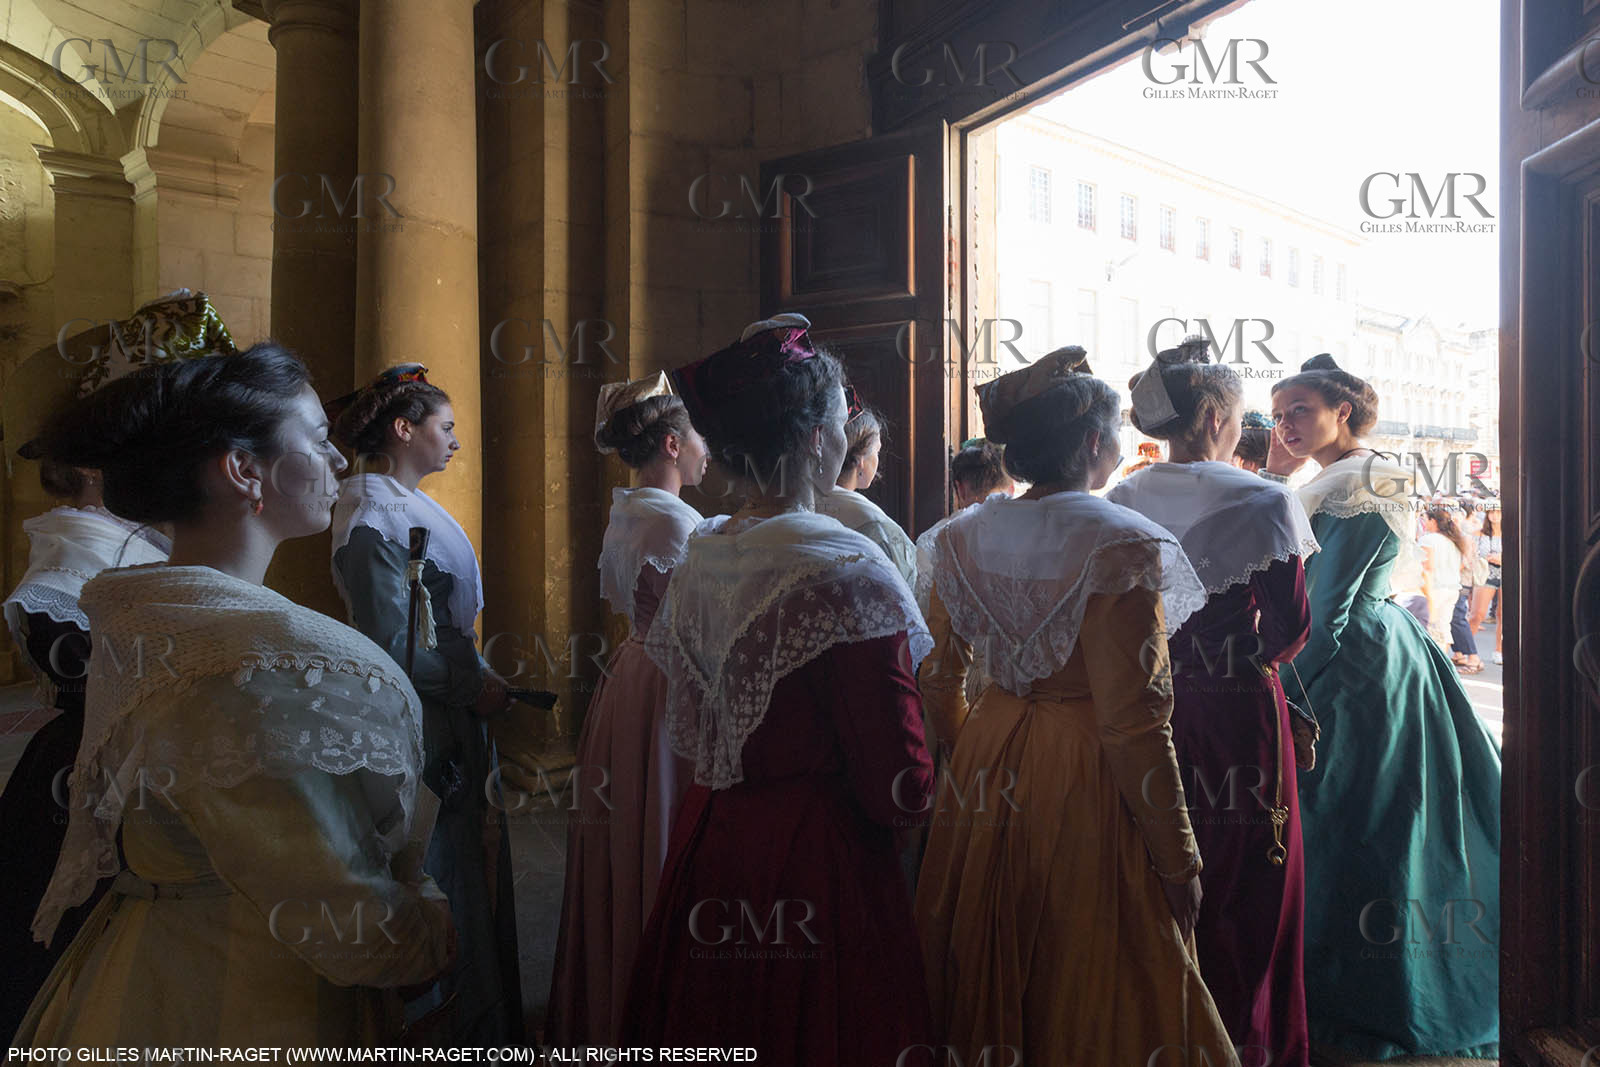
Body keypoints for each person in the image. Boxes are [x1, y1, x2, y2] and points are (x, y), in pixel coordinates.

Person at [15, 343, 453, 1046]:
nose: (340, 458)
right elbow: (350, 923)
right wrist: (432, 924)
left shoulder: (156, 620)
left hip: (145, 955)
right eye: (316, 438)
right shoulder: (260, 660)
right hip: (247, 991)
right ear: (245, 468)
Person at [624, 314, 935, 1065]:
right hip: (815, 862)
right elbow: (899, 780)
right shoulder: (847, 568)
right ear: (811, 438)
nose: (844, 427)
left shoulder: (706, 550)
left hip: (713, 838)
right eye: (838, 415)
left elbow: (697, 726)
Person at [915, 346, 1236, 1064]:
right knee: (1096, 970)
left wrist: (979, 746)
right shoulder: (1120, 542)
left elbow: (939, 678)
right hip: (1084, 772)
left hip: (986, 759)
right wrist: (1178, 859)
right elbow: (1135, 721)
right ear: (1094, 442)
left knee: (987, 947)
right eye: (1117, 430)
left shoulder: (961, 536)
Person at [1267, 354, 1501, 1059]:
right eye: (1279, 413)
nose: (1286, 424)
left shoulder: (1369, 476)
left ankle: (1374, 990)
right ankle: (1325, 982)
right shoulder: (1331, 477)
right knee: (1349, 816)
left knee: (1361, 819)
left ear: (1344, 409)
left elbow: (1330, 605)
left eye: (1300, 409)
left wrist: (1285, 691)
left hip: (1352, 663)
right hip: (1357, 650)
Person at [1106, 341, 1319, 1066]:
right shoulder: (1263, 498)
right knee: (1250, 878)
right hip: (1234, 711)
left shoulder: (1125, 497)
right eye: (1235, 414)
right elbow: (1290, 629)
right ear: (1212, 414)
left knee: (1160, 871)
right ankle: (1247, 1041)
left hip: (1144, 702)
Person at [330, 365, 522, 1044]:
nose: (455, 441)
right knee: (439, 863)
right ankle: (453, 1031)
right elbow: (393, 645)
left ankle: (485, 1019)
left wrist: (477, 671)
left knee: (469, 858)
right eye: (445, 427)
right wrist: (472, 686)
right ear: (403, 429)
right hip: (419, 720)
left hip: (450, 708)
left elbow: (435, 626)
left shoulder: (402, 504)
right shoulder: (369, 515)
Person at [546, 372, 708, 1046]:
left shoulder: (631, 507)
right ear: (672, 442)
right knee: (664, 834)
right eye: (698, 435)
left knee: (633, 833)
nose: (708, 448)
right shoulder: (677, 520)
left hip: (633, 678)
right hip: (670, 683)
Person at [0, 461, 169, 1045]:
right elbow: (78, 676)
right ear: (95, 469)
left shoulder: (127, 538)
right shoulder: (70, 552)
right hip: (88, 755)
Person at [817, 386, 919, 592]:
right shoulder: (874, 523)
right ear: (861, 459)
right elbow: (908, 590)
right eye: (877, 451)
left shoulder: (800, 501)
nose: (878, 460)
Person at [912, 438, 1016, 620]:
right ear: (1012, 488)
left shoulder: (933, 539)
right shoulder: (1029, 528)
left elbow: (925, 614)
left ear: (959, 489)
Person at [1419, 505, 1467, 652]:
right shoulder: (1454, 540)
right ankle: (1443, 663)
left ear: (1433, 521)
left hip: (1434, 589)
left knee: (1428, 628)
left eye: (1425, 519)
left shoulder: (1428, 539)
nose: (1424, 523)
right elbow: (1461, 565)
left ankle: (1433, 665)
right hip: (1452, 589)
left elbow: (1427, 567)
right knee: (1443, 628)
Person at [1469, 503, 1503, 665]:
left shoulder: (1512, 533)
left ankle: (1499, 650)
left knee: (1503, 616)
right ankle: (1465, 650)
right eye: (1492, 512)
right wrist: (1483, 559)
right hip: (1485, 576)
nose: (1495, 515)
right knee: (1477, 615)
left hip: (1506, 576)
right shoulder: (1479, 534)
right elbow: (1471, 555)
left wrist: (1502, 559)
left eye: (1498, 512)